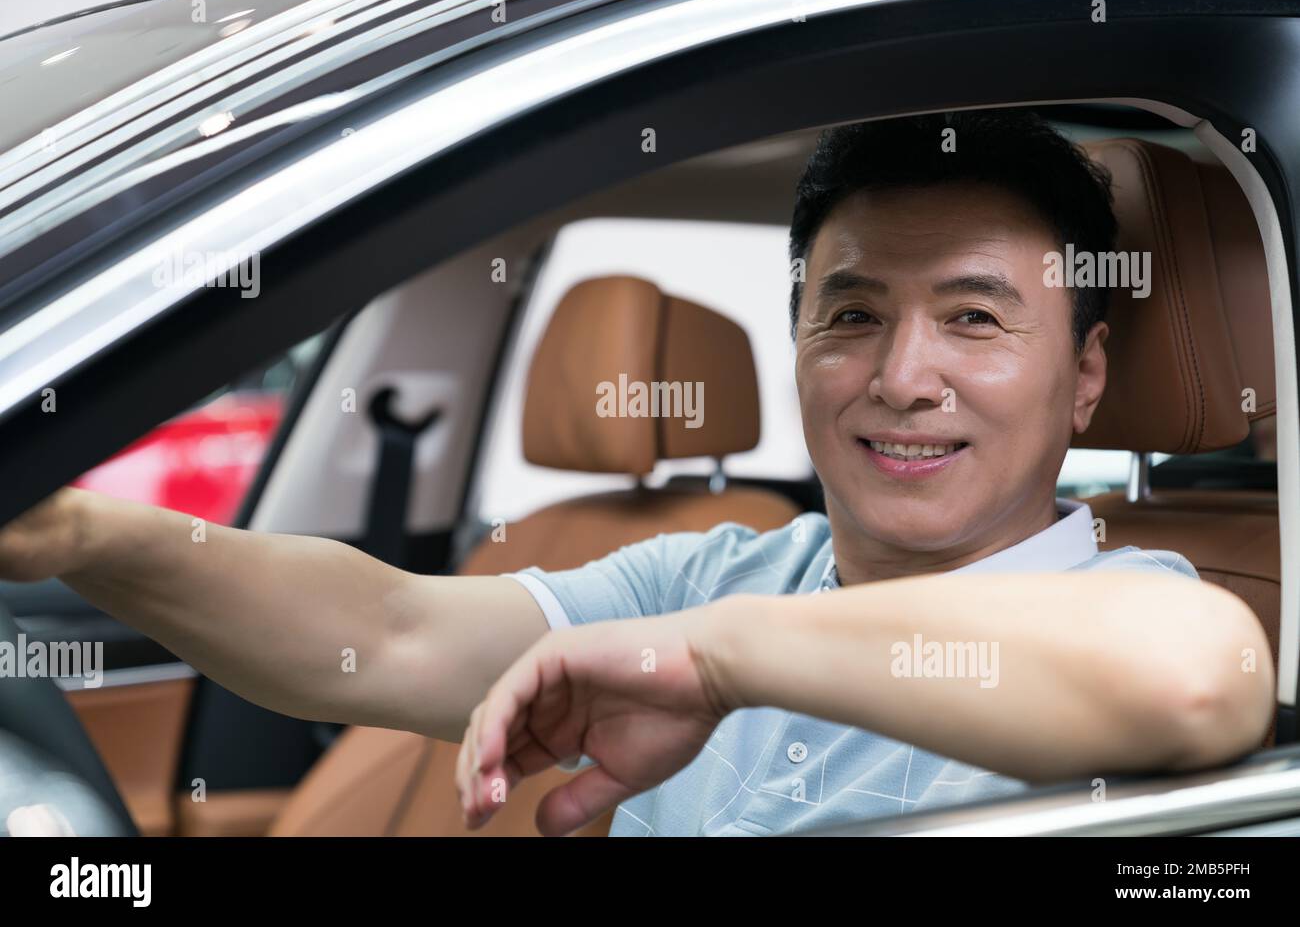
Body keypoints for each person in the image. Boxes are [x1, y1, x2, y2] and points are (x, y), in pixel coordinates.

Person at [0, 112, 1274, 838]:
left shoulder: (1129, 601)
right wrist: (84, 541)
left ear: (1087, 377)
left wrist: (712, 663)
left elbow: (1191, 677)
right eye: (850, 316)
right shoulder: (722, 569)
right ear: (795, 342)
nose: (900, 377)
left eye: (976, 320)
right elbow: (381, 633)